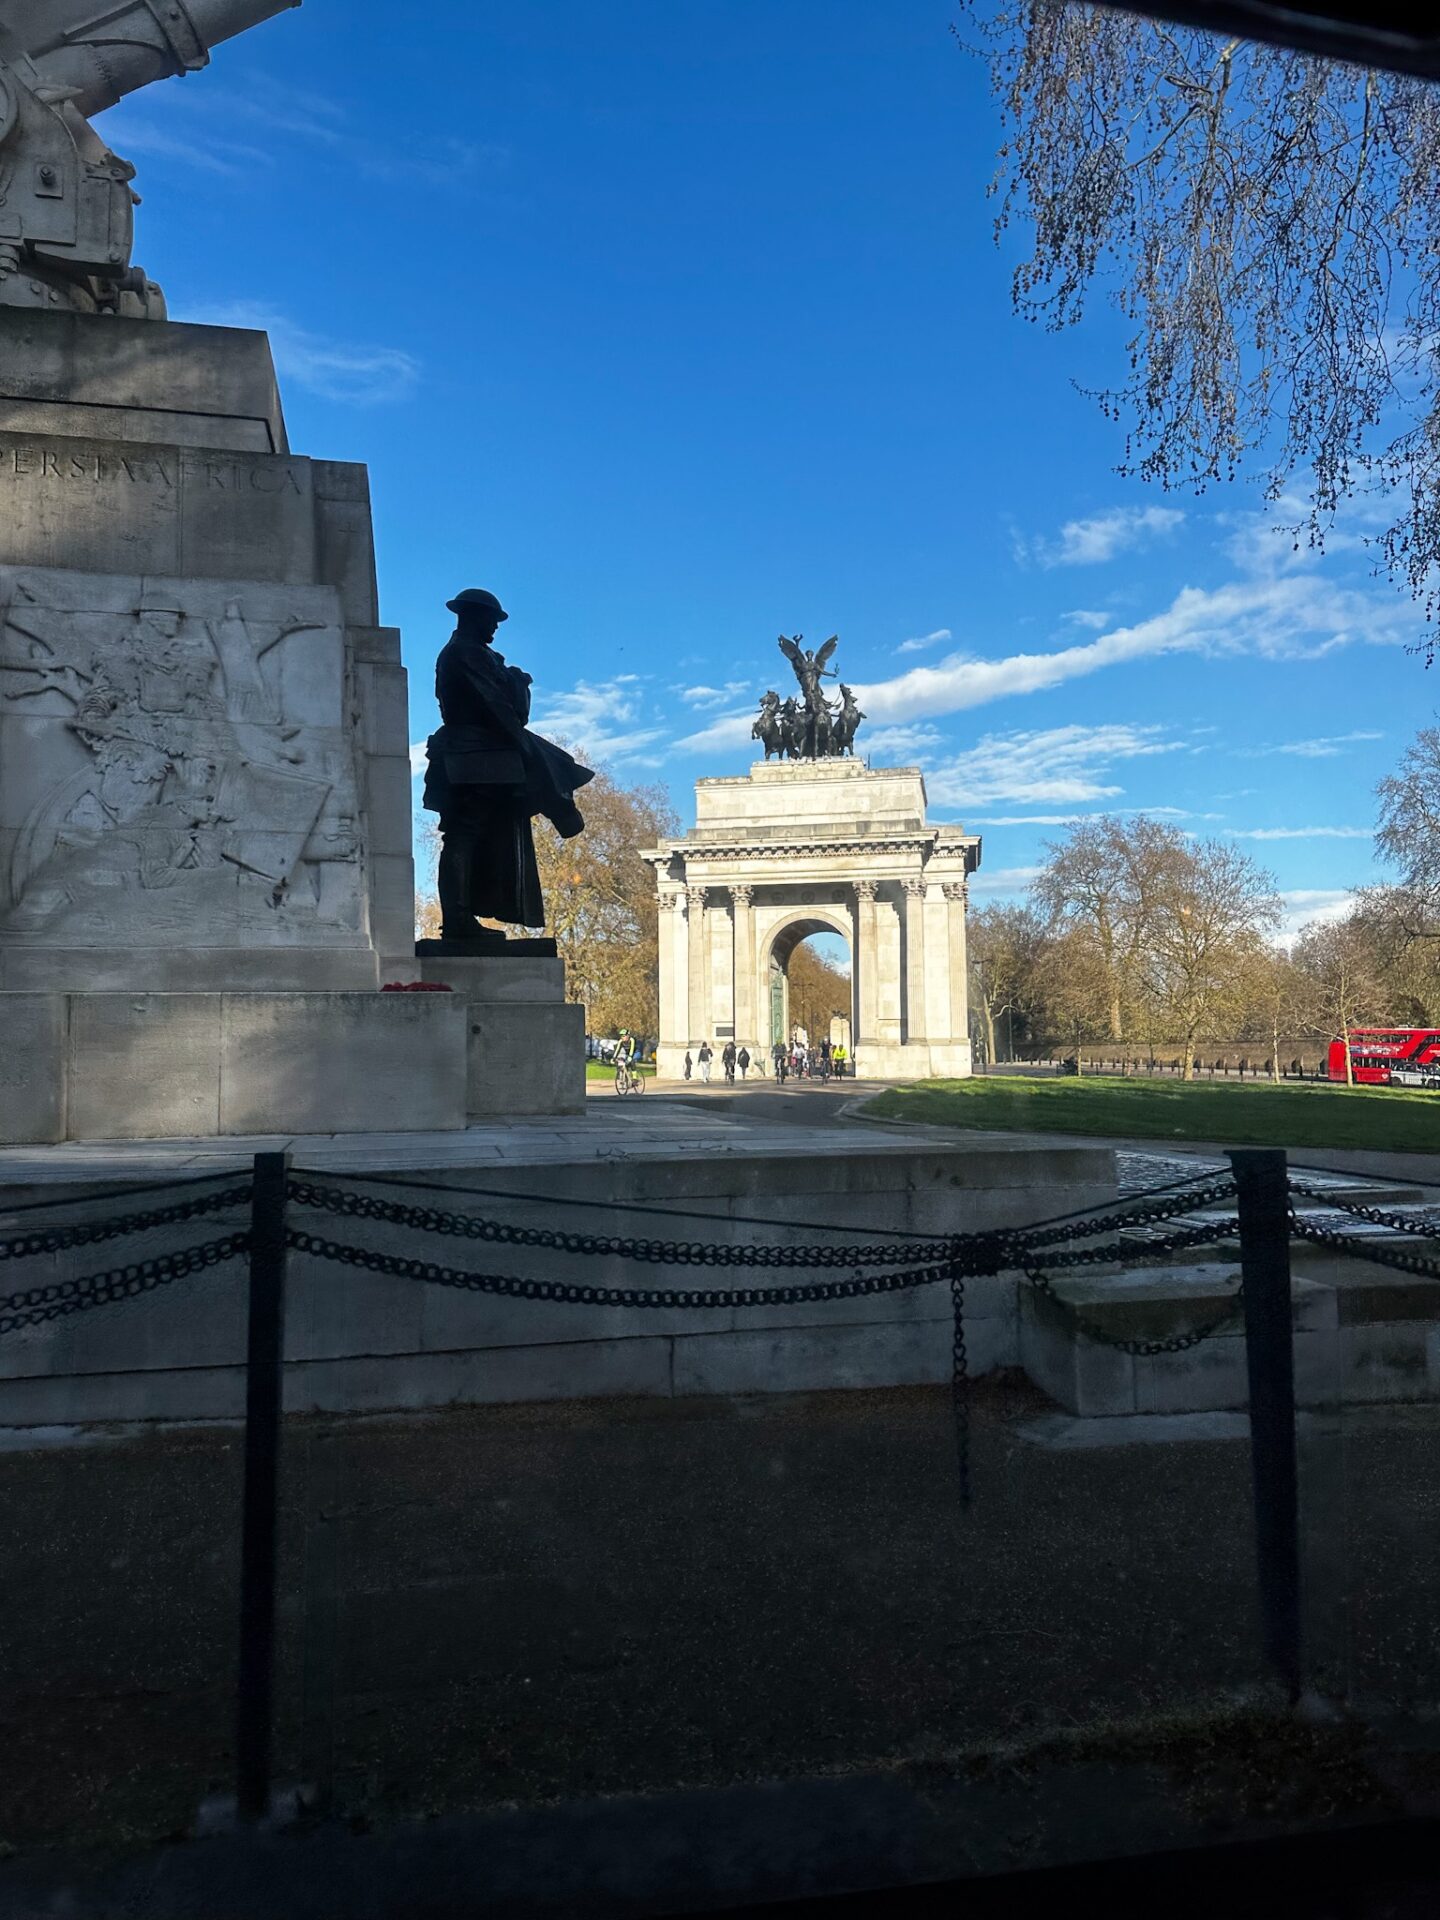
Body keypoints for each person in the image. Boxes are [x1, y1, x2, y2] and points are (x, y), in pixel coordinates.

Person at [422, 588, 593, 940]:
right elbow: (497, 707)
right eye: (491, 620)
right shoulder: (464, 653)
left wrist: (517, 683)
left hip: (482, 755)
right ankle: (457, 922)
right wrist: (523, 746)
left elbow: (514, 709)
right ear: (472, 617)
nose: (495, 628)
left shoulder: (479, 654)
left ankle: (559, 800)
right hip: (472, 756)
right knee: (463, 836)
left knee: (472, 836)